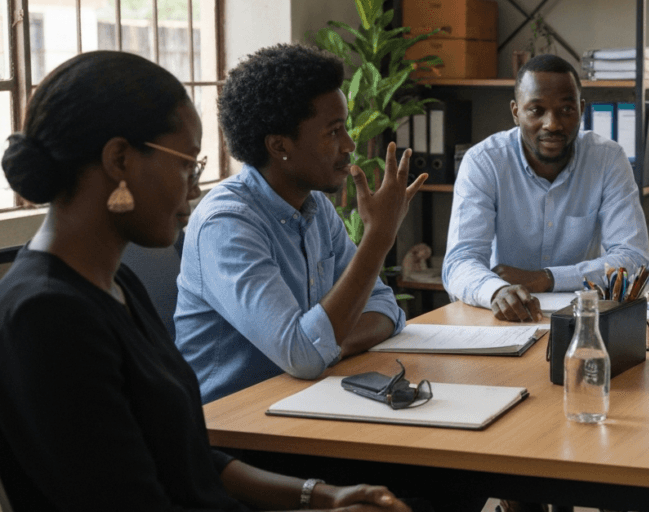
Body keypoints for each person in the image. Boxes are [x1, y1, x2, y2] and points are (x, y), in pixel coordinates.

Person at [0, 51, 410, 511]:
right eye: (186, 165)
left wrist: (320, 497)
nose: (195, 189)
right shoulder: (47, 314)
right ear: (119, 159)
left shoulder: (118, 287)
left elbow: (187, 458)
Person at [176, 44, 424, 404]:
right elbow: (305, 356)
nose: (350, 145)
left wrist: (327, 347)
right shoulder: (226, 224)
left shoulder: (315, 207)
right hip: (234, 426)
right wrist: (378, 236)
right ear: (279, 146)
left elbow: (386, 309)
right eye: (333, 132)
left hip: (306, 402)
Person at [442, 53, 649, 322]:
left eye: (566, 110)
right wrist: (497, 291)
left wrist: (547, 278)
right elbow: (459, 261)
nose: (552, 124)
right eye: (536, 110)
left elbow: (633, 258)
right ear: (516, 112)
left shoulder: (607, 159)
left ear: (581, 109)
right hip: (501, 318)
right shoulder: (484, 162)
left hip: (581, 318)